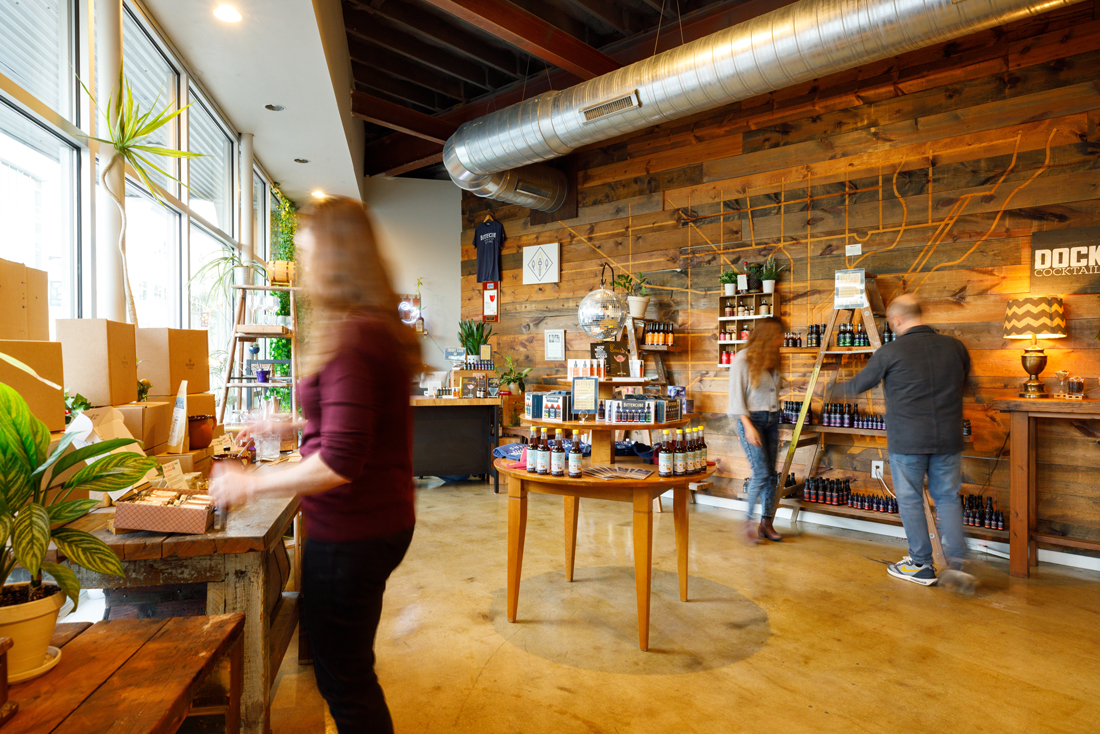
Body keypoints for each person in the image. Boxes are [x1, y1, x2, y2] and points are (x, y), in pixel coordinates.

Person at [211, 197, 419, 733]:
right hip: (381, 521)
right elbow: (361, 426)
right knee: (348, 669)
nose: (300, 268)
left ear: (333, 258)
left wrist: (251, 481)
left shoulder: (353, 337)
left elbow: (341, 461)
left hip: (353, 529)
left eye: (305, 254)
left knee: (343, 679)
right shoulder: (376, 327)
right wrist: (293, 426)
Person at [835, 294, 975, 591]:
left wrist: (831, 389)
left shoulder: (890, 351)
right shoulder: (955, 347)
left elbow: (859, 385)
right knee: (948, 497)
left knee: (911, 499)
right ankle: (958, 565)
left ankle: (921, 564)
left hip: (908, 440)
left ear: (896, 320)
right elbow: (967, 384)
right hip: (948, 438)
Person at [727, 317, 785, 544]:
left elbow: (773, 389)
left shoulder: (772, 358)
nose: (783, 339)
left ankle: (766, 524)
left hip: (772, 419)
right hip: (752, 421)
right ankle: (747, 523)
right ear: (770, 335)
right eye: (780, 335)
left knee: (771, 475)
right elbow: (736, 397)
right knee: (761, 472)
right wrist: (749, 426)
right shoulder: (742, 359)